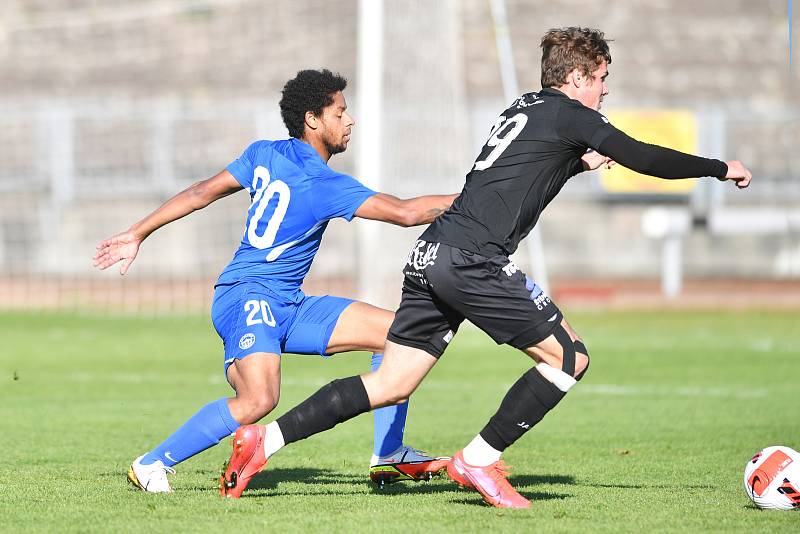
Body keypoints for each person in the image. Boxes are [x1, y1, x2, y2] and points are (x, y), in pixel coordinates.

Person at [220, 27, 753, 508]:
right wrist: (718, 168)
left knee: (392, 383)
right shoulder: (573, 115)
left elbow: (519, 176)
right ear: (575, 77)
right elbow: (645, 157)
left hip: (433, 253)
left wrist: (574, 161)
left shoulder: (525, 107)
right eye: (600, 79)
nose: (605, 91)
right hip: (473, 259)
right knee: (569, 358)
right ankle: (478, 459)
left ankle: (264, 441)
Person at [93, 69, 459, 496]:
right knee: (259, 400)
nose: (350, 120)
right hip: (247, 294)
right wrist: (479, 197)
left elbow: (201, 192)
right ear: (313, 119)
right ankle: (152, 463)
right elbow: (406, 213)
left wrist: (139, 232)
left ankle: (388, 455)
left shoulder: (264, 152)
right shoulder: (323, 183)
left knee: (399, 336)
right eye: (341, 112)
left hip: (288, 302)